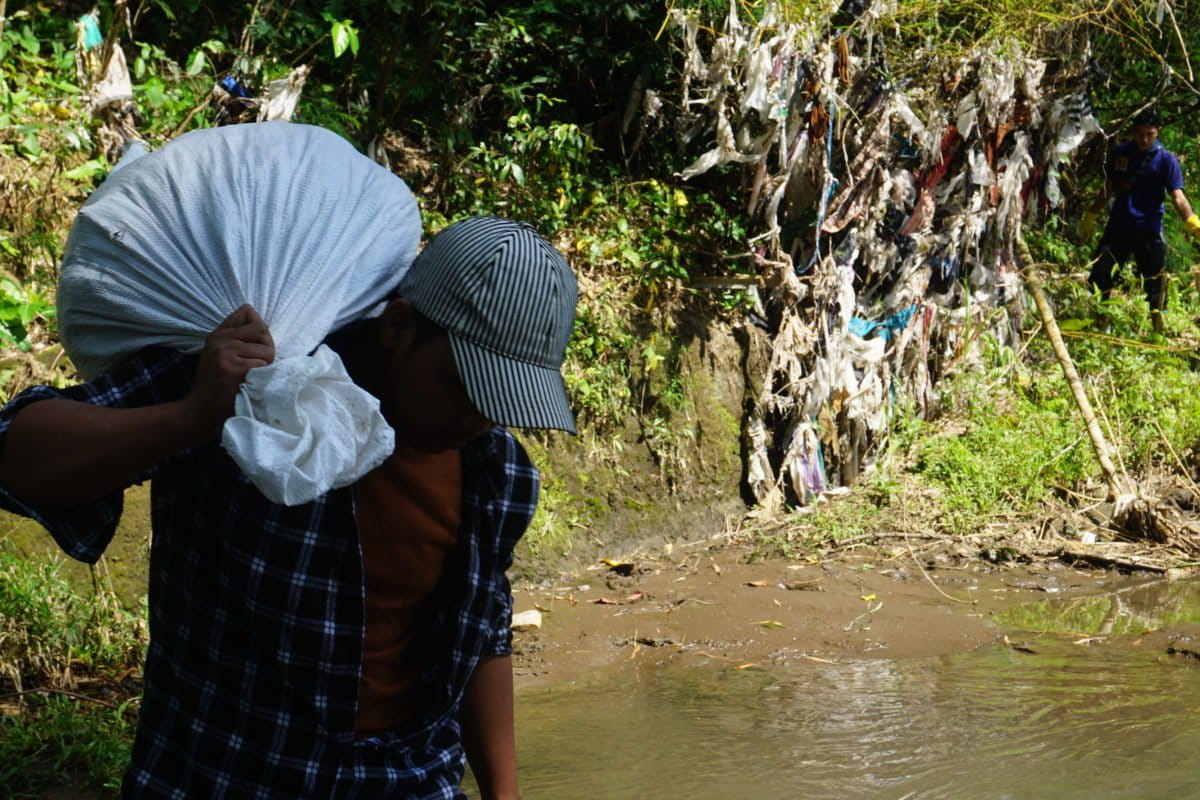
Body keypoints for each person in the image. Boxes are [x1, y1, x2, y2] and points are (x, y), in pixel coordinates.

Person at [0, 215, 578, 798]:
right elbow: (14, 454)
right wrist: (192, 416)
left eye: (499, 401)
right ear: (399, 326)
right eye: (463, 386)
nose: (477, 418)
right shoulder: (257, 387)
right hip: (225, 779)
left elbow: (481, 631)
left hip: (408, 781)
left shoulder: (496, 474)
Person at [1080, 106, 1200, 333]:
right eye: (1139, 134)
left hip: (1149, 229)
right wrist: (1091, 214)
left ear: (1158, 132)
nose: (1144, 139)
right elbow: (1108, 187)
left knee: (1156, 284)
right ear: (1133, 132)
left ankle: (1157, 331)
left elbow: (1177, 196)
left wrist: (1192, 221)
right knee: (1101, 275)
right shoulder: (1121, 153)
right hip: (1119, 227)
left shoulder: (1166, 160)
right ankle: (1100, 326)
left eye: (1149, 134)